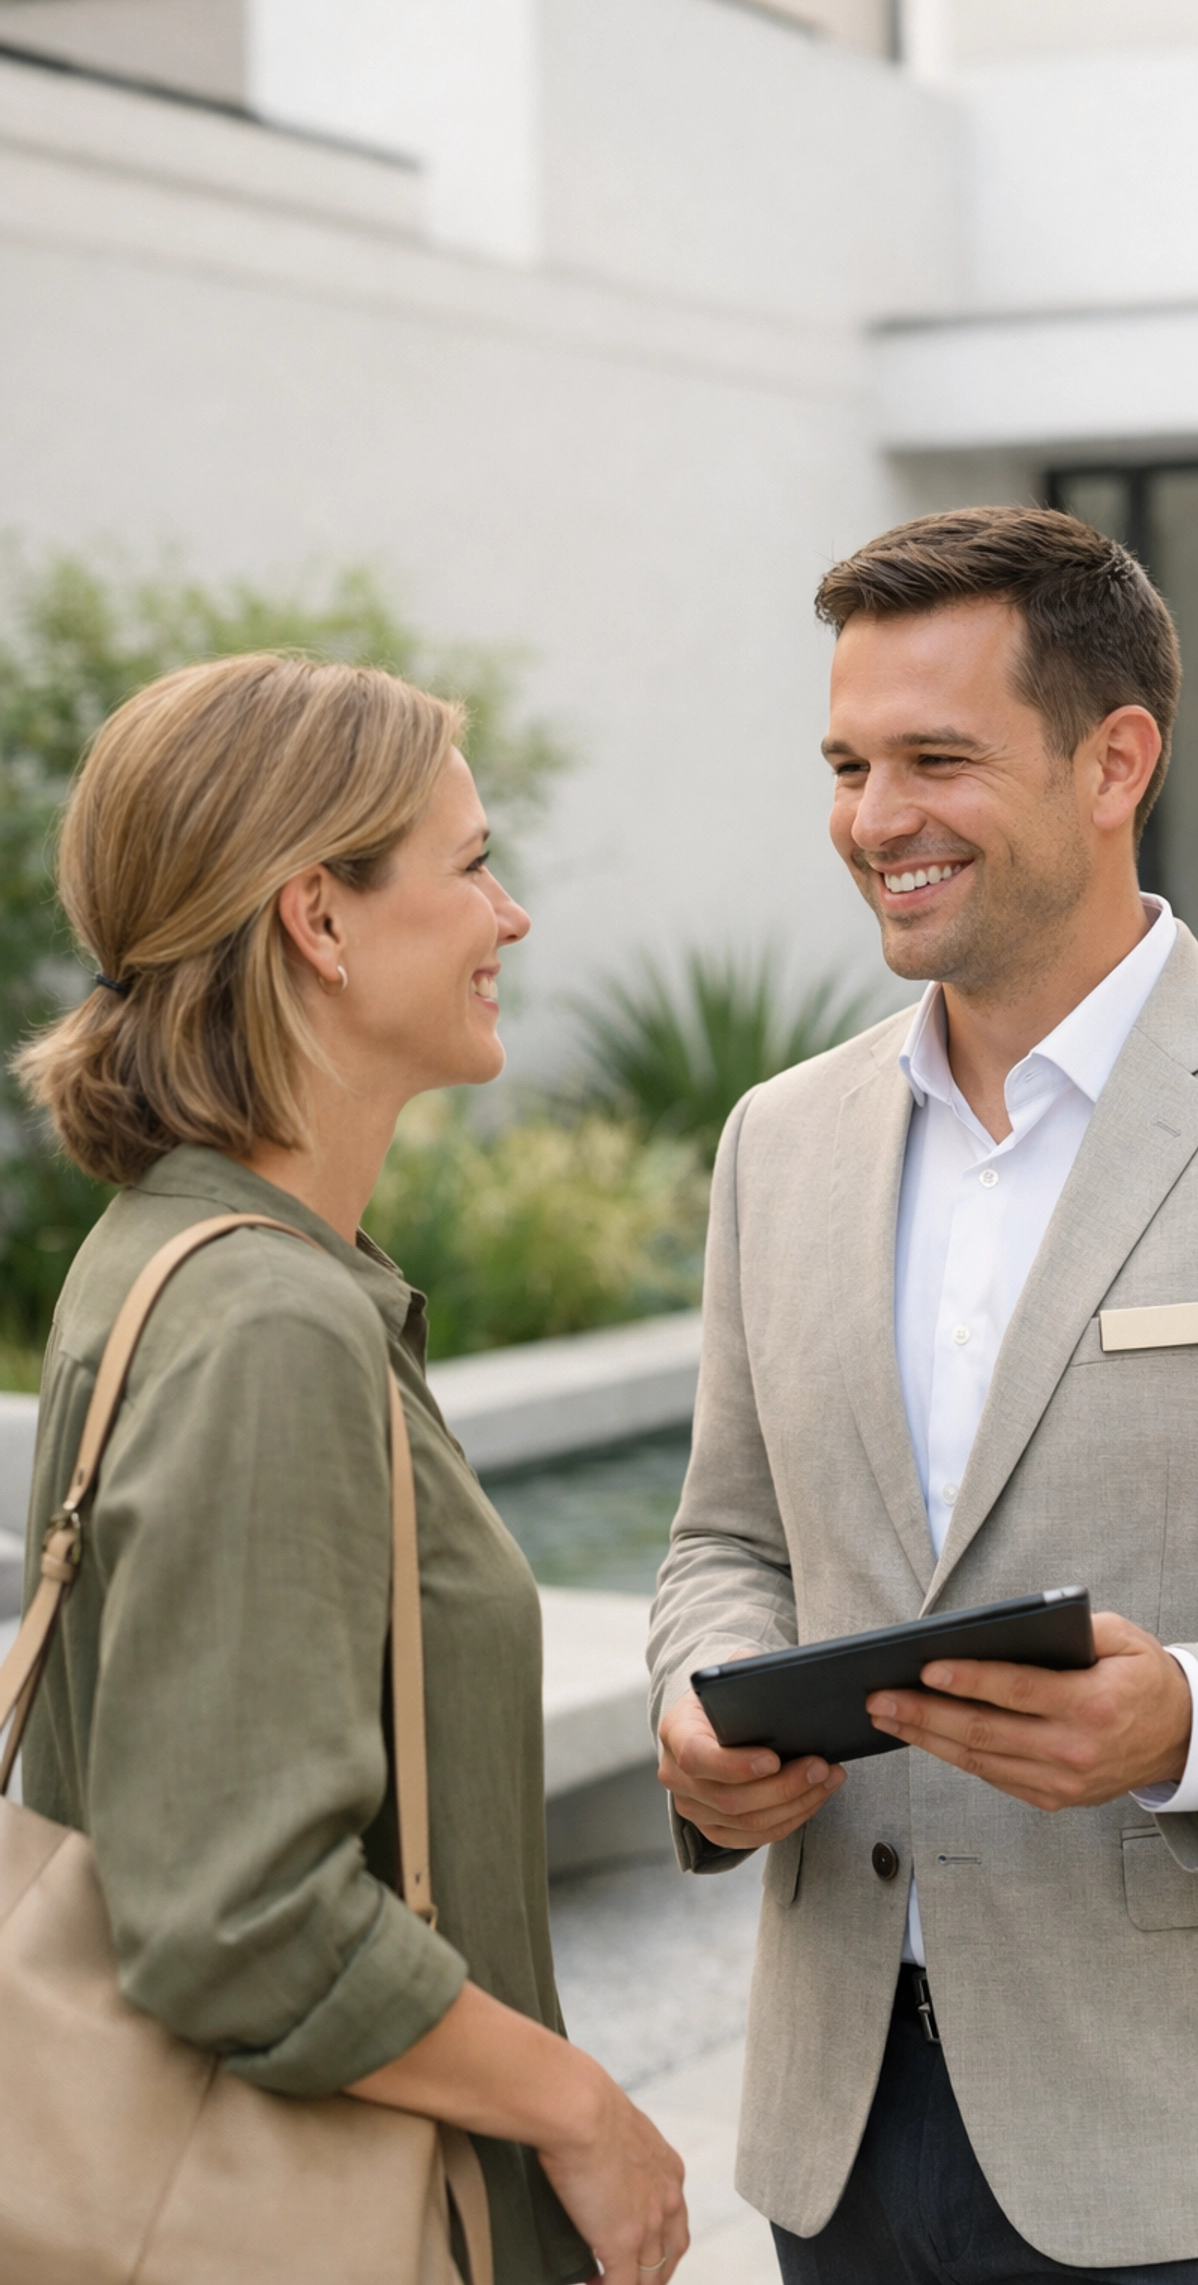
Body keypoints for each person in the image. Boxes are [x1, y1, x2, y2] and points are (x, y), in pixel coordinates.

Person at [646, 506, 1198, 2285]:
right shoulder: (779, 1141)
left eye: (936, 760)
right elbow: (726, 1542)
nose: (875, 820)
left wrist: (1189, 1722)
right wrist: (698, 1708)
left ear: (1115, 761)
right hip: (843, 2134)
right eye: (848, 766)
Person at [16, 653, 687, 2285]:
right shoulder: (266, 1321)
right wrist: (580, 2108)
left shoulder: (188, 1252)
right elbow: (238, 1913)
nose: (510, 916)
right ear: (318, 919)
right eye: (471, 867)